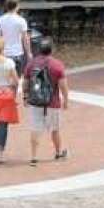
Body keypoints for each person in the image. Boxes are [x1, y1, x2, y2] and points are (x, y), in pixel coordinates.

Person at [23, 38, 70, 166]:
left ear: (39, 49)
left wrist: (25, 97)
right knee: (55, 129)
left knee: (35, 129)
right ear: (51, 49)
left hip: (35, 102)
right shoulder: (57, 64)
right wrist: (66, 100)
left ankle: (33, 157)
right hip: (53, 102)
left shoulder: (31, 64)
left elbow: (25, 82)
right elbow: (63, 86)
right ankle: (58, 152)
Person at [0, 0, 31, 77]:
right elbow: (25, 39)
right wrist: (28, 52)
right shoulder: (21, 20)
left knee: (5, 79)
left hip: (4, 53)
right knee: (16, 79)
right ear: (17, 6)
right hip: (17, 53)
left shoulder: (0, 19)